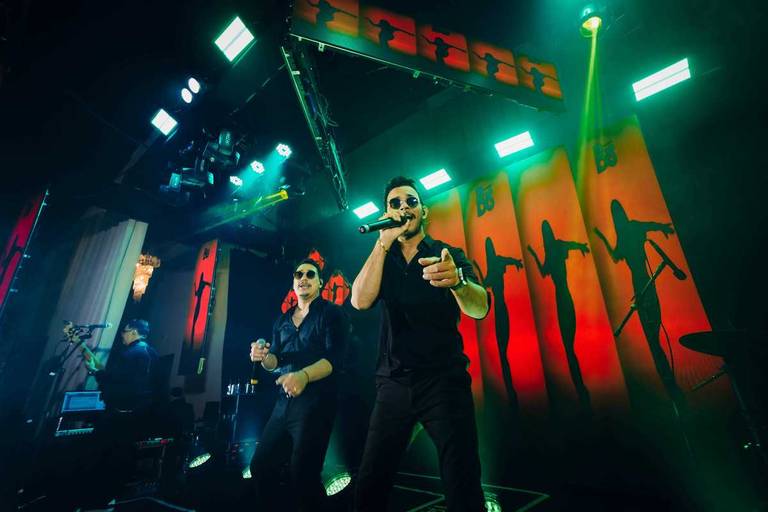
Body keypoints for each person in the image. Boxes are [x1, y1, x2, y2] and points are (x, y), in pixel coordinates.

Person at [351, 176, 490, 511]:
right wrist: (382, 244)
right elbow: (359, 301)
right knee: (370, 482)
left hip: (442, 380)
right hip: (394, 382)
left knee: (462, 479)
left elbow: (480, 307)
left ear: (424, 211)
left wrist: (458, 283)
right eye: (395, 203)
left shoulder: (446, 254)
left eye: (411, 202)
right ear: (387, 213)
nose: (404, 208)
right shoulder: (383, 258)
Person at [248, 258, 348, 511]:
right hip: (284, 403)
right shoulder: (282, 320)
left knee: (303, 473)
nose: (303, 278)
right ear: (293, 283)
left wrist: (304, 375)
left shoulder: (331, 313)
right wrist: (262, 357)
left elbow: (335, 359)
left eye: (310, 274)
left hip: (317, 401)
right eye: (298, 274)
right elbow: (275, 360)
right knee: (261, 466)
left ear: (320, 283)